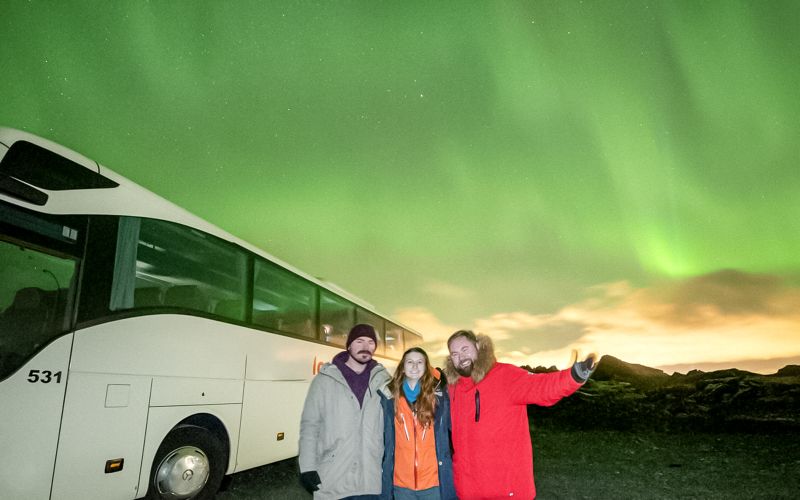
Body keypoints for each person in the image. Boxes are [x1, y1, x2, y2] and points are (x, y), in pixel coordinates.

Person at [444, 329, 597, 499]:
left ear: (478, 346)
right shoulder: (453, 388)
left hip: (507, 490)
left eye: (465, 349)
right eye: (455, 354)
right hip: (468, 491)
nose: (461, 357)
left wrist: (574, 376)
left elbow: (541, 386)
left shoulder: (505, 376)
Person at [299, 323, 390, 499]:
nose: (365, 347)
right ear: (348, 345)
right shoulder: (325, 380)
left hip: (371, 481)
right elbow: (310, 425)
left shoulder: (384, 381)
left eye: (370, 342)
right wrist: (307, 467)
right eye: (359, 341)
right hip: (333, 478)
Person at [380, 347, 456, 500]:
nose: (415, 366)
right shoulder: (388, 397)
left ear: (426, 367)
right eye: (410, 362)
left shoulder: (440, 397)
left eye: (420, 362)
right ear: (402, 367)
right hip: (401, 485)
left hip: (433, 483)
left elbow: (453, 429)